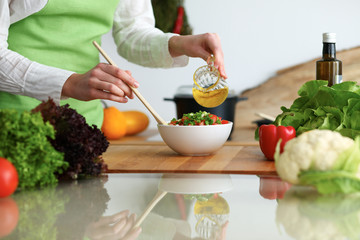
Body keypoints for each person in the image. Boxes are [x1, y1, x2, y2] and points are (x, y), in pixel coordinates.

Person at [0, 0, 227, 127]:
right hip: (14, 121)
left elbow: (131, 31)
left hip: (85, 126)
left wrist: (178, 43)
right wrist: (68, 83)